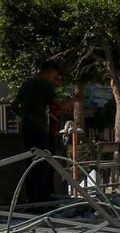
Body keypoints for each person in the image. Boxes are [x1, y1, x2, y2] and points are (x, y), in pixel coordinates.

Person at [14, 60, 80, 204]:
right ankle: (41, 200)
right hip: (40, 131)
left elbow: (13, 105)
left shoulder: (26, 84)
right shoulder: (44, 85)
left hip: (26, 129)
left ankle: (32, 199)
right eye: (54, 76)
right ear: (48, 72)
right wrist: (76, 99)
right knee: (43, 165)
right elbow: (60, 105)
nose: (54, 80)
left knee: (30, 165)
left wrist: (25, 116)